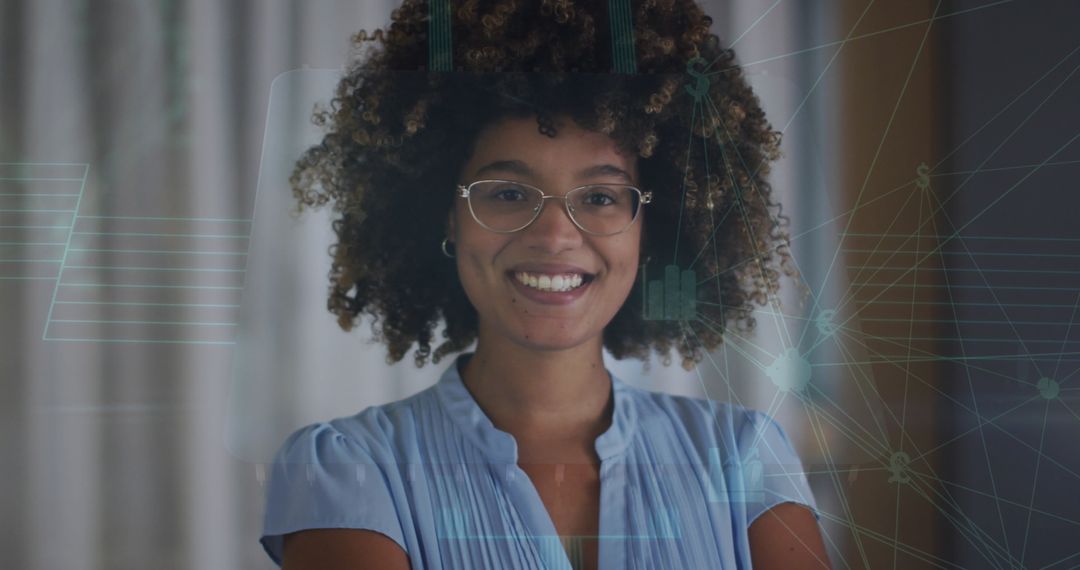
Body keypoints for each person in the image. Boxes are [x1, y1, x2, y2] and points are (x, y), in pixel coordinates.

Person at [260, 0, 830, 568]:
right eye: (508, 193)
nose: (556, 234)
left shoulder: (744, 458)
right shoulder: (345, 468)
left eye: (601, 197)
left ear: (649, 228)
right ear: (447, 219)